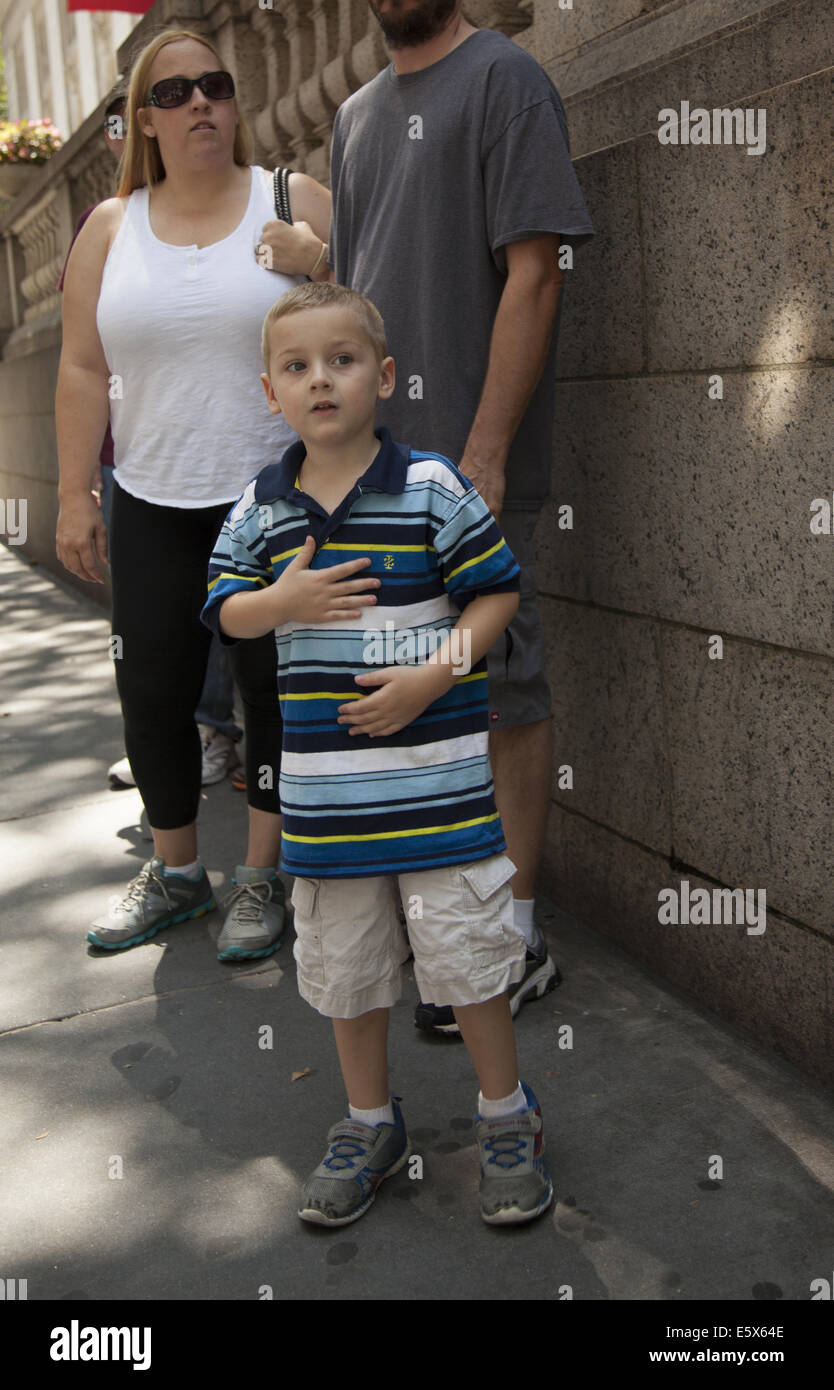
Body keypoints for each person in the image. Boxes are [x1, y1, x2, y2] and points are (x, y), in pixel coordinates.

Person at [265, 0, 596, 1033]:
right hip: (378, 475)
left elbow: (534, 276)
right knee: (412, 695)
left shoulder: (506, 80)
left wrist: (487, 450)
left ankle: (518, 937)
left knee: (501, 687)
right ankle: (450, 931)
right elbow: (360, 308)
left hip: (472, 463)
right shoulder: (358, 116)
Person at [202, 280, 553, 1227]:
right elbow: (227, 608)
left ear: (384, 377)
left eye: (343, 360)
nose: (322, 380)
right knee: (349, 980)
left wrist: (434, 676)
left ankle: (506, 1114)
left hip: (441, 801)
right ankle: (368, 1122)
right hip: (326, 813)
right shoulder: (261, 510)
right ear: (269, 391)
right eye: (297, 366)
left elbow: (497, 595)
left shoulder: (433, 488)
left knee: (470, 969)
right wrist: (283, 604)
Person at [55, 28, 332, 962]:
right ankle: (177, 872)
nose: (200, 103)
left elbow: (366, 337)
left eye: (214, 84)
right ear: (145, 120)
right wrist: (71, 494)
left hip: (273, 494)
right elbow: (82, 368)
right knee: (153, 688)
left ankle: (262, 875)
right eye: (174, 93)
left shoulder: (290, 200)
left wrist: (319, 262)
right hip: (147, 493)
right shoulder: (107, 228)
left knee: (271, 690)